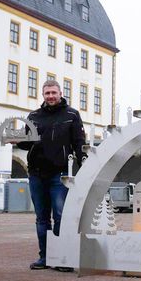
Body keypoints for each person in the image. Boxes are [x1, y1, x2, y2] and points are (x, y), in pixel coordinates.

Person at [16, 79, 85, 271]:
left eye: (54, 93)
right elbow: (27, 142)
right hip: (36, 173)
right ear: (43, 95)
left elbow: (79, 142)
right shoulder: (34, 116)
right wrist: (15, 141)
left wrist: (84, 162)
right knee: (42, 218)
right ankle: (45, 257)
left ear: (61, 93)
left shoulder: (72, 115)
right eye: (47, 93)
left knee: (61, 215)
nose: (51, 96)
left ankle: (61, 258)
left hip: (60, 173)